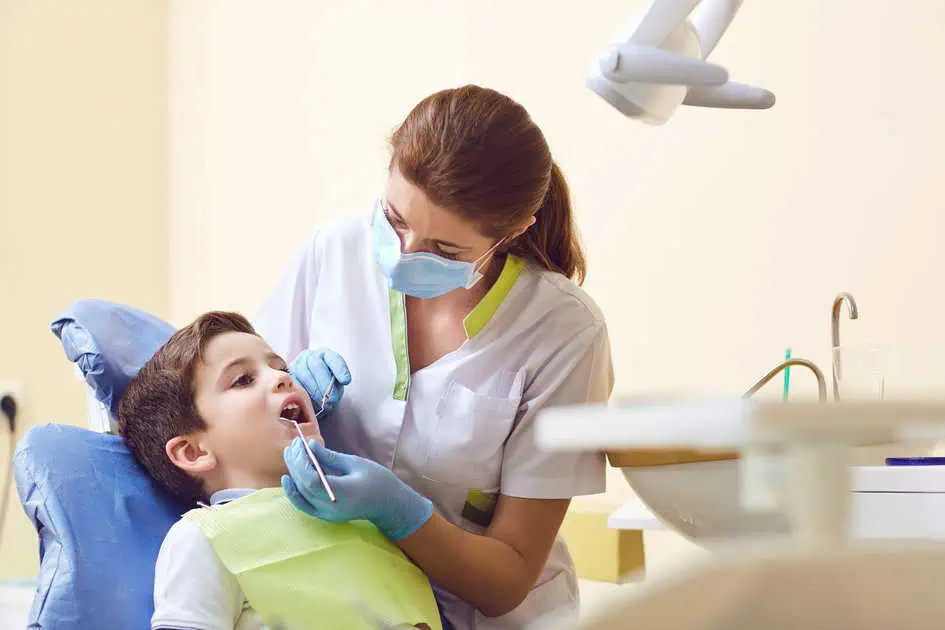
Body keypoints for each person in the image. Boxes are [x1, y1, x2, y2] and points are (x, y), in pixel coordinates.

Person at [255, 85, 614, 629]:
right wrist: (289, 397)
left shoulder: (563, 332)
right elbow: (239, 418)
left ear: (512, 233)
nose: (403, 256)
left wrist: (397, 512)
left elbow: (508, 580)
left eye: (445, 251)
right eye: (394, 220)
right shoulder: (332, 253)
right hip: (342, 602)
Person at [118, 311, 441, 630]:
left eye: (280, 367)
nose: (284, 378)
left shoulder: (367, 518)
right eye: (243, 379)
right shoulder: (205, 537)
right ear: (193, 452)